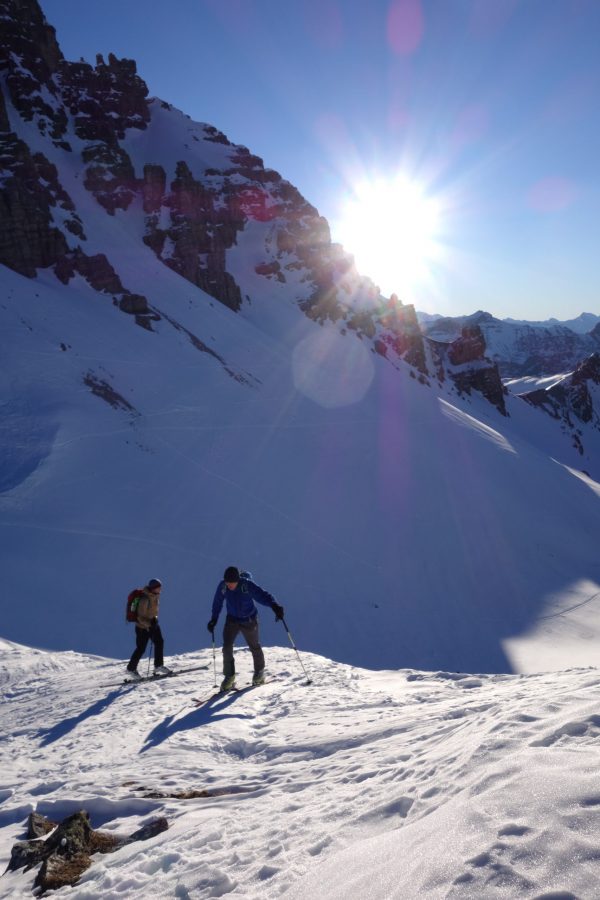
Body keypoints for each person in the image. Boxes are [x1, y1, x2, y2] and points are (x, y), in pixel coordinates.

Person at [207, 566, 284, 691]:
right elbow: (217, 602)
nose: (229, 585)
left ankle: (259, 673)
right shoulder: (223, 586)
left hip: (249, 620)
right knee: (227, 647)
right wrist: (214, 619)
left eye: (232, 582)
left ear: (238, 580)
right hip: (232, 620)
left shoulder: (246, 585)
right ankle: (229, 676)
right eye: (227, 582)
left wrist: (275, 606)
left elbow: (262, 595)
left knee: (254, 646)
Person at [126, 578, 171, 679]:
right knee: (141, 648)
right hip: (143, 628)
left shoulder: (155, 597)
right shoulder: (145, 599)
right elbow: (139, 617)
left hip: (152, 625)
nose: (160, 589)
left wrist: (154, 619)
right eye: (159, 587)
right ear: (154, 588)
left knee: (159, 642)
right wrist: (150, 624)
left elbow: (152, 612)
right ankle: (131, 668)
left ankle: (158, 665)